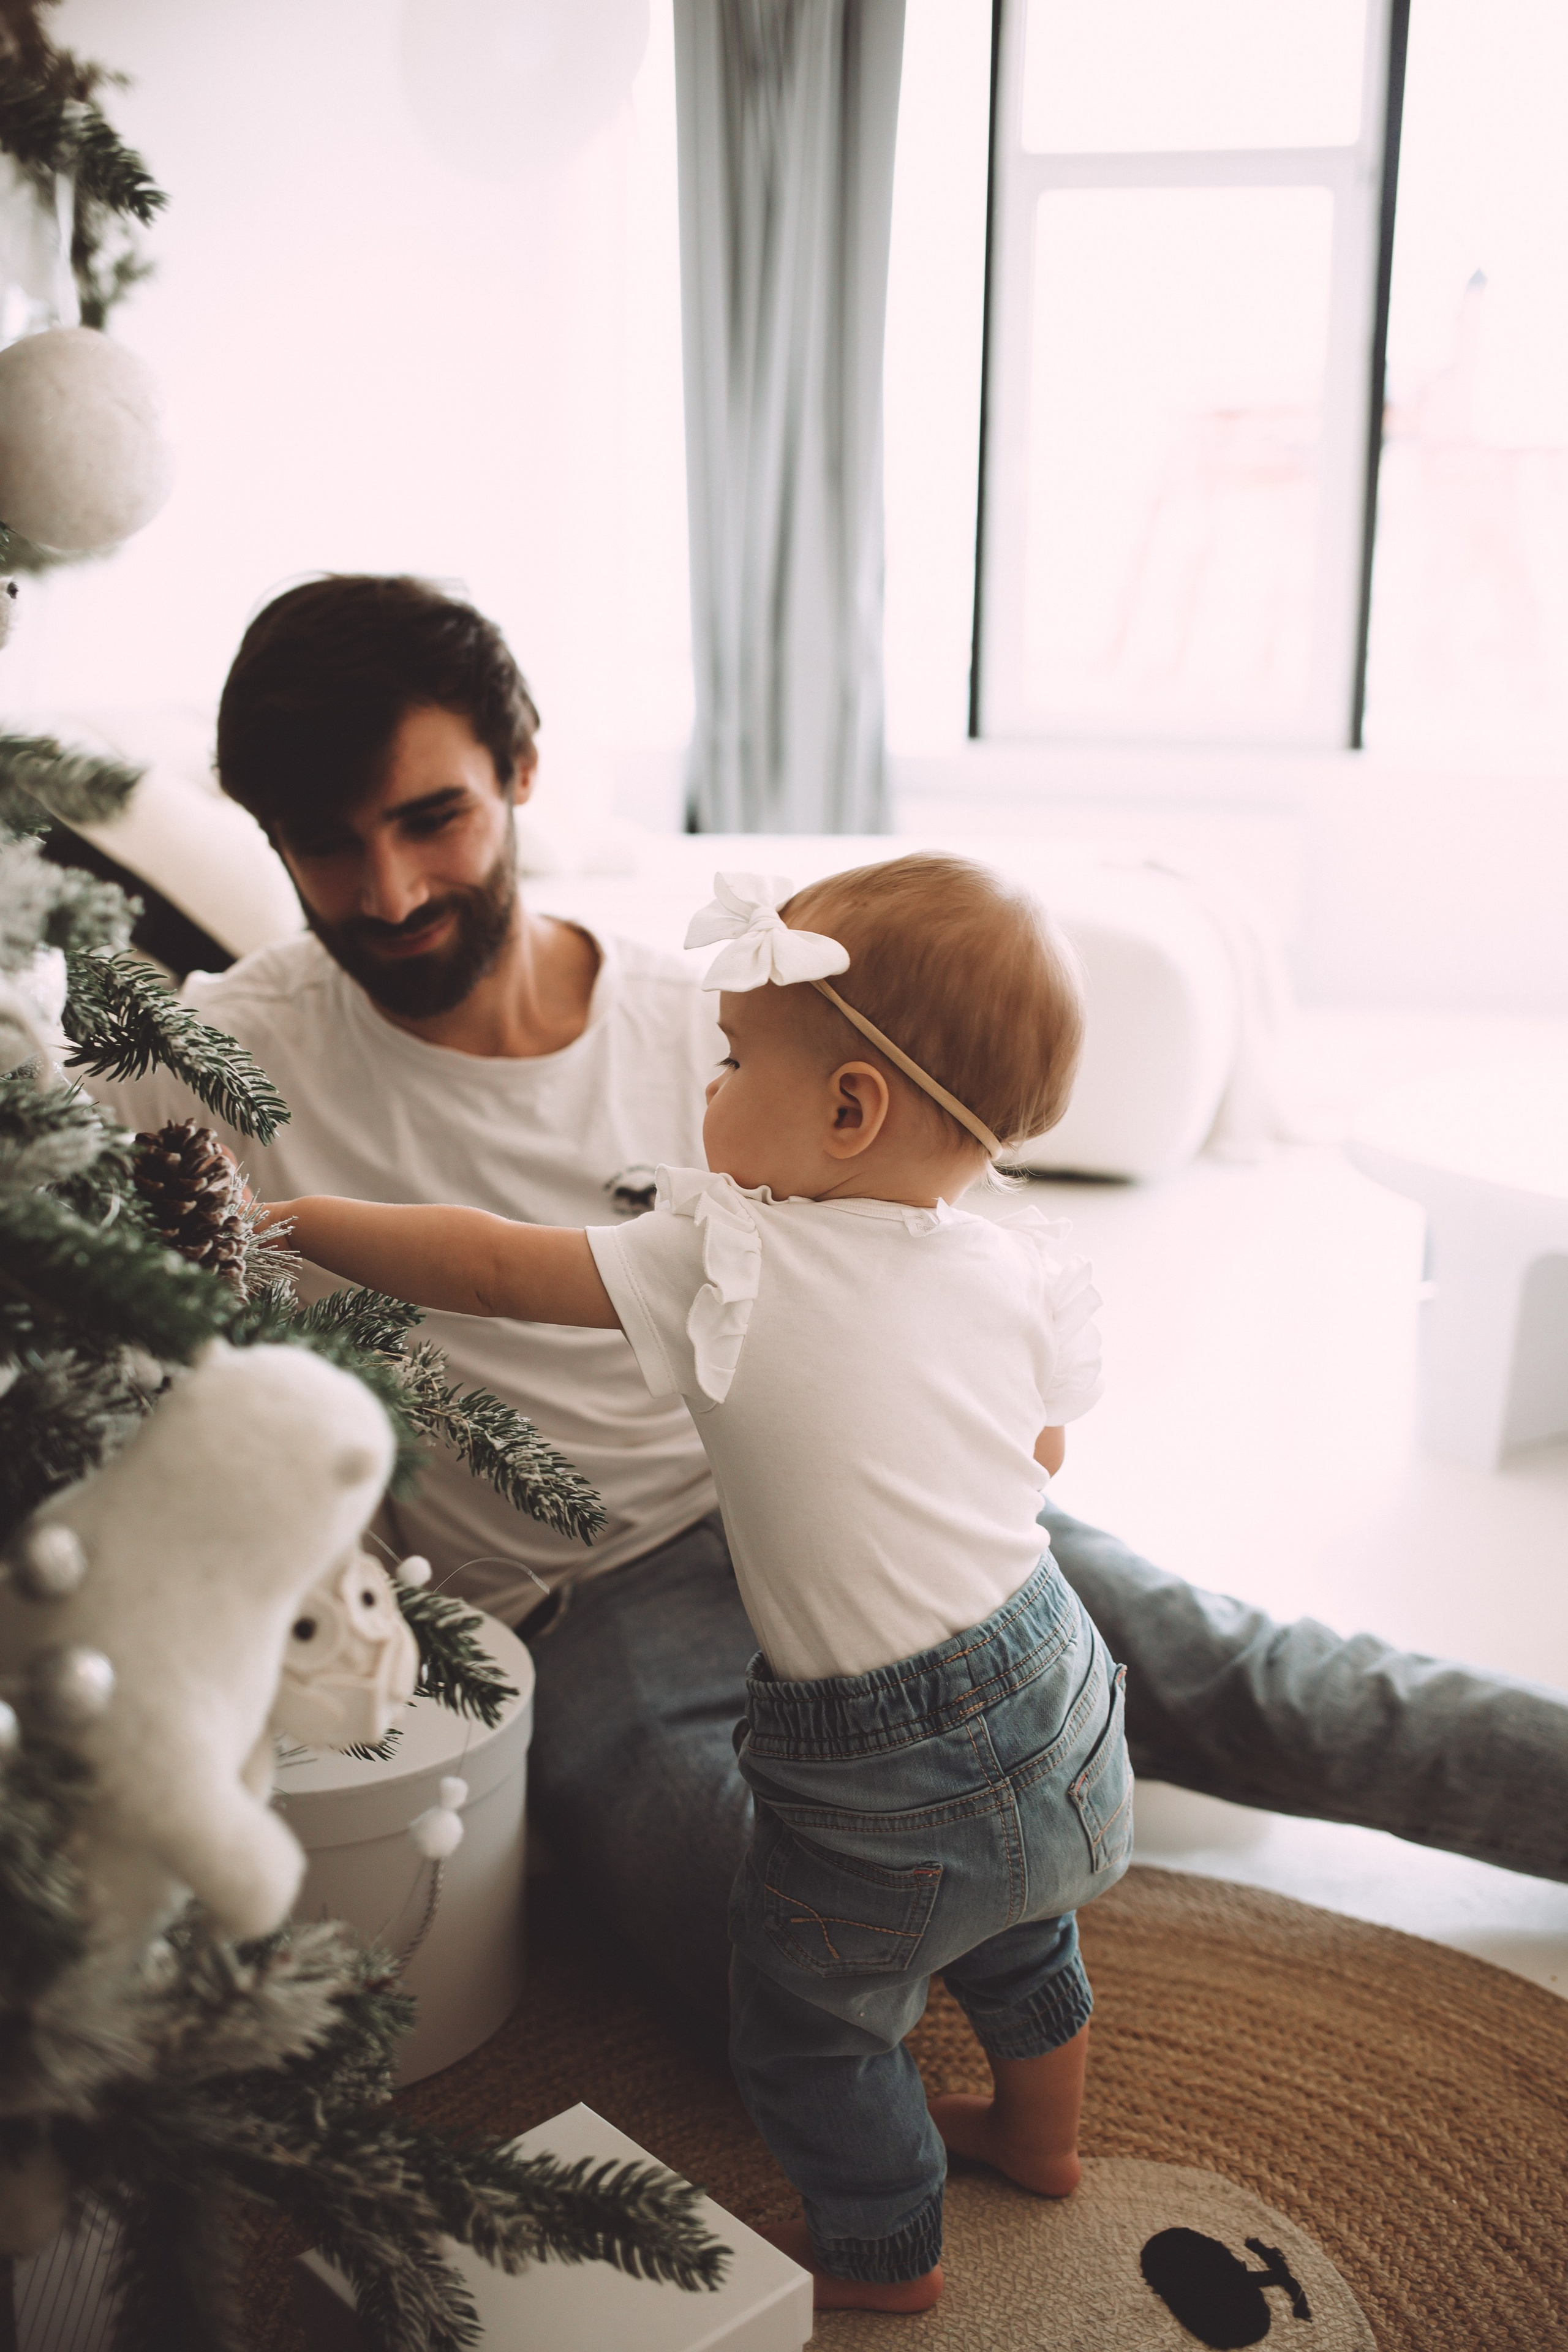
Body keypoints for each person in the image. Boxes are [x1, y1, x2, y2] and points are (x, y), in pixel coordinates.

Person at [89, 574, 1568, 2037]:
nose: (390, 893)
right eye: (325, 847)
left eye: (433, 820)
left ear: (523, 768)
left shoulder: (730, 1033)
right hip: (586, 1604)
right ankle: (1030, 1821)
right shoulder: (222, 1052)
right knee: (759, 1943)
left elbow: (943, 1268)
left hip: (862, 1504)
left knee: (1265, 1680)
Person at [262, 852, 1130, 2312]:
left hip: (878, 1774)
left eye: (730, 1063)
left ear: (849, 1110)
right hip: (1057, 1686)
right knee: (1023, 1922)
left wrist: (296, 1223)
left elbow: (483, 1266)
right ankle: (1042, 2138)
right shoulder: (1006, 1265)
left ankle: (882, 2254)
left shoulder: (724, 1256)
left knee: (805, 2025)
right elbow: (1034, 1450)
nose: (704, 1093)